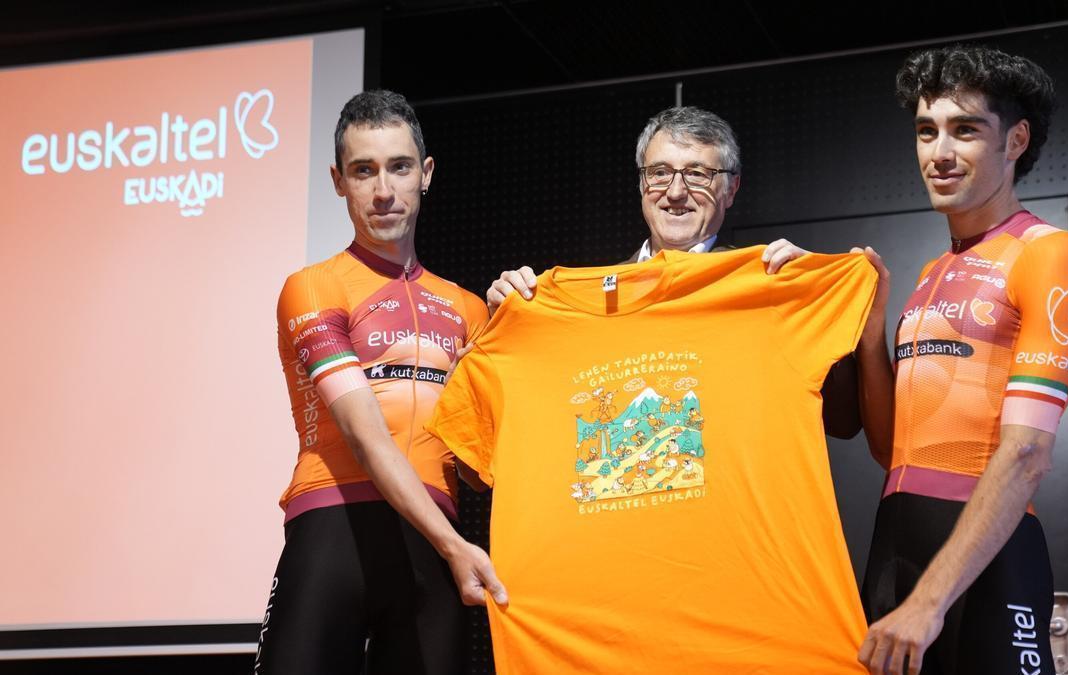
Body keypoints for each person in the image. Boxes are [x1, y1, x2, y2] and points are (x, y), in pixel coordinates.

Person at [855, 45, 1068, 675]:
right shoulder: (934, 271)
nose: (939, 153)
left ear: (1015, 139)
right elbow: (891, 449)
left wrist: (930, 600)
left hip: (986, 558)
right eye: (926, 131)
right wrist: (873, 326)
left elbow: (1024, 452)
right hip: (894, 544)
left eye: (965, 130)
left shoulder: (1051, 253)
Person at [252, 90, 506, 675]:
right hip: (335, 528)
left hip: (433, 542)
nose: (384, 190)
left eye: (399, 166)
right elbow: (364, 435)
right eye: (364, 171)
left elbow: (475, 469)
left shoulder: (470, 309)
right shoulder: (313, 287)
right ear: (339, 181)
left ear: (427, 173)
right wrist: (452, 545)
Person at [487, 105, 864, 437]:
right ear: (641, 183)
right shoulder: (587, 300)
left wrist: (813, 304)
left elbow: (843, 421)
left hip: (728, 515)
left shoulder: (769, 286)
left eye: (698, 174)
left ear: (731, 189)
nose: (676, 192)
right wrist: (512, 321)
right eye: (660, 173)